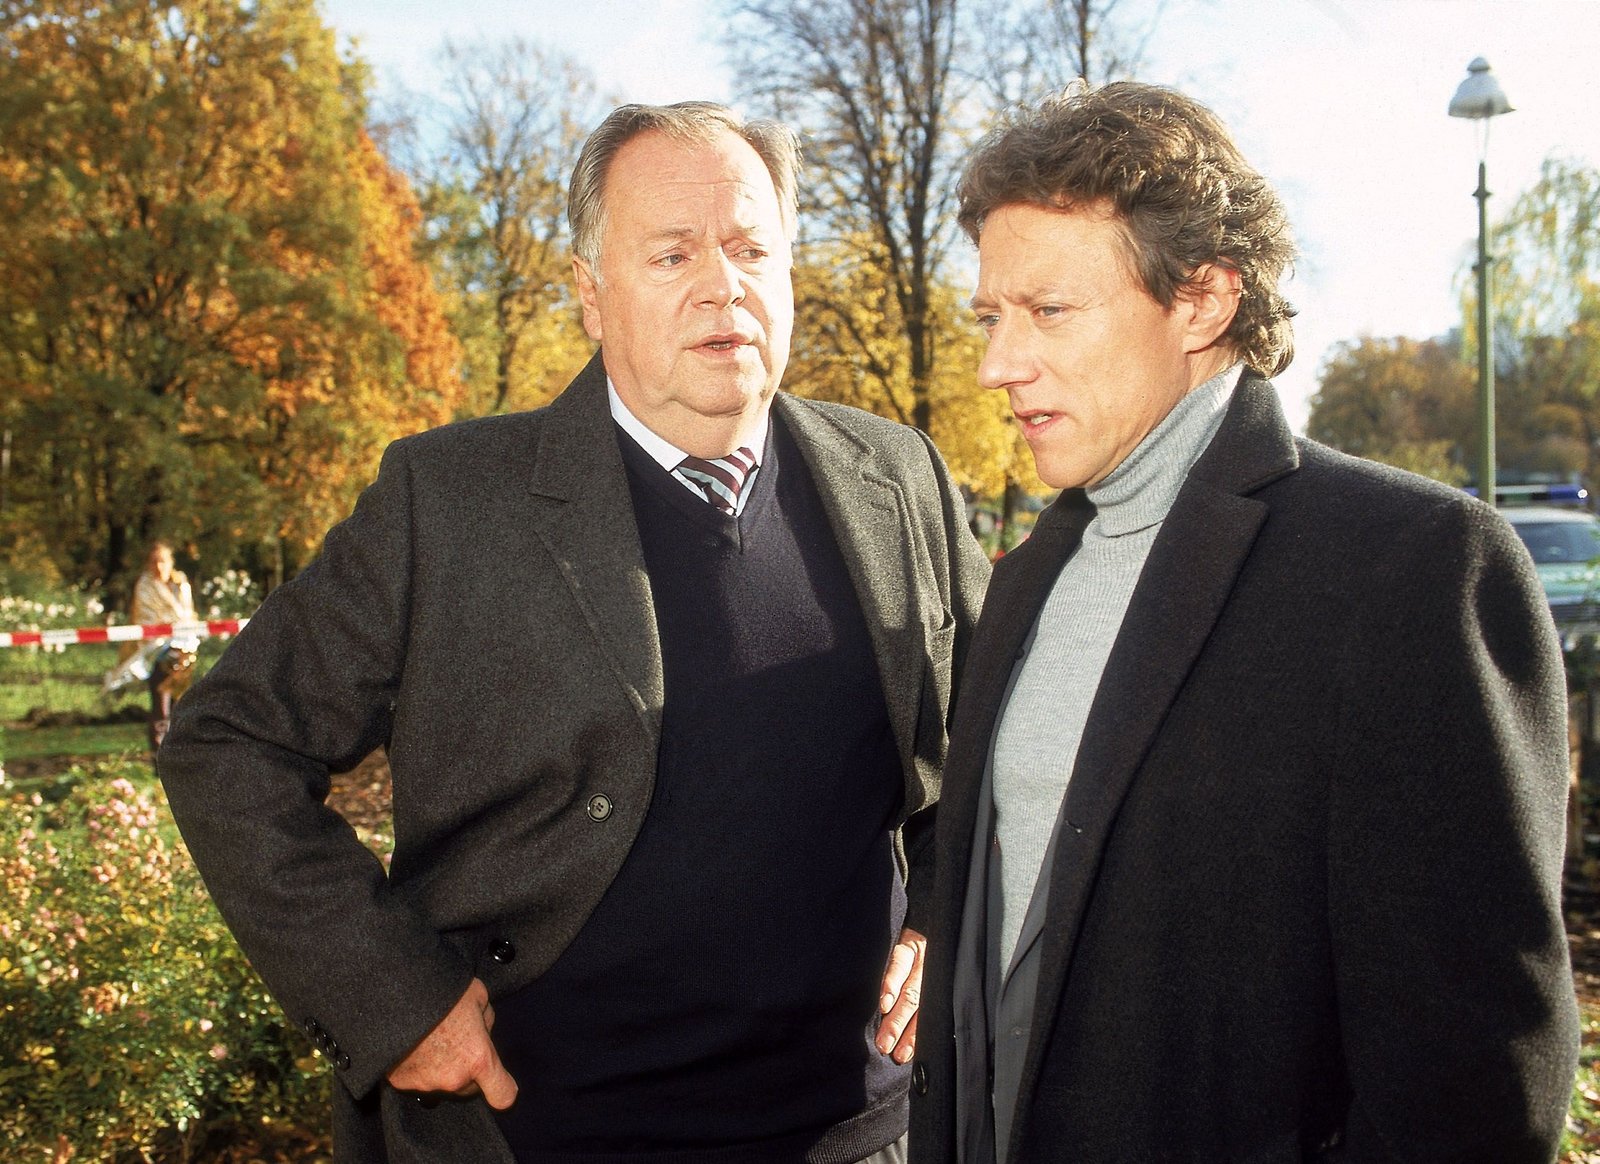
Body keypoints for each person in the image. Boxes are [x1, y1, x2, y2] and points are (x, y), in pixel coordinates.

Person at [159, 101, 989, 1163]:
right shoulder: (447, 500)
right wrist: (391, 998)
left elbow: (999, 734)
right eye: (672, 254)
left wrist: (946, 904)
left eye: (750, 249)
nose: (722, 285)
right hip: (547, 1130)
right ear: (591, 296)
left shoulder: (898, 478)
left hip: (858, 1128)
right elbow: (230, 741)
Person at [908, 82, 1580, 1163]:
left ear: (1203, 299)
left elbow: (1474, 1075)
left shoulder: (1410, 566)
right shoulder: (1028, 574)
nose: (997, 364)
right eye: (991, 317)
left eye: (1049, 310)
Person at [128, 539, 197, 750]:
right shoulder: (145, 586)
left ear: (171, 562)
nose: (159, 566)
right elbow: (145, 619)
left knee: (182, 708)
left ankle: (182, 754)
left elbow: (188, 615)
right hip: (158, 653)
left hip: (184, 652)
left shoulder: (181, 584)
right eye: (154, 561)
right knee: (161, 709)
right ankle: (158, 755)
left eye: (163, 561)